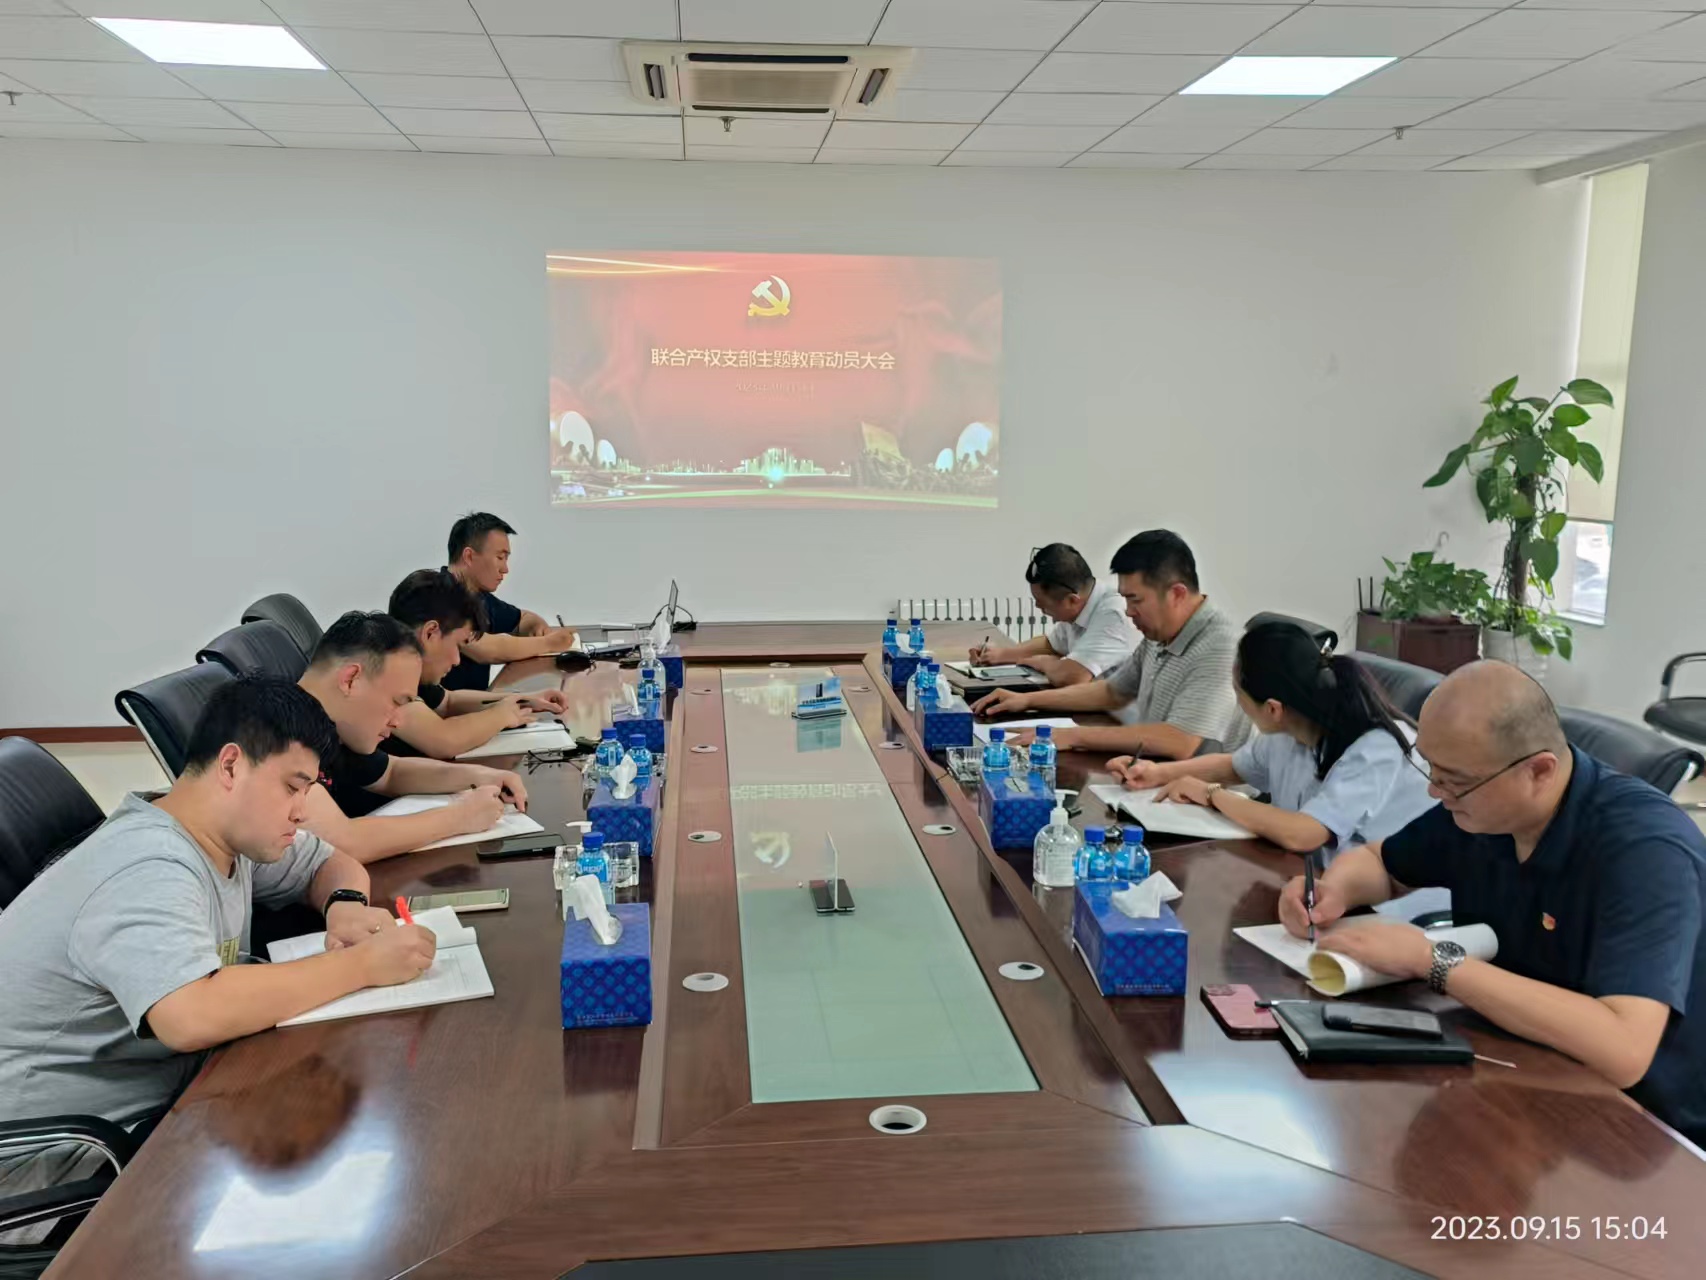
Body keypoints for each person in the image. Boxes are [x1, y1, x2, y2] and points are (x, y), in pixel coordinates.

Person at [1277, 661, 1706, 1147]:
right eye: (1430, 769)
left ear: (1538, 771)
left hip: (1641, 1128)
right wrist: (1333, 890)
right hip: (1515, 1061)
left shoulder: (1646, 852)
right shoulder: (1480, 807)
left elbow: (1624, 1048)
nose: (1435, 791)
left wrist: (1432, 960)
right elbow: (1383, 862)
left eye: (1454, 781)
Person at [0, 676, 438, 1136]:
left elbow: (330, 863)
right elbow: (190, 1015)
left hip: (173, 1091)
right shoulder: (148, 864)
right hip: (60, 1148)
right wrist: (363, 965)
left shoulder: (224, 835)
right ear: (230, 765)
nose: (301, 811)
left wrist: (344, 905)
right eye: (292, 787)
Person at [1109, 621, 1435, 855]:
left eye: (1238, 694)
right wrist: (1157, 773)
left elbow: (1304, 833)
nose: (1237, 703)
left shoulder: (1375, 747)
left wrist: (1211, 794)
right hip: (1317, 883)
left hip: (1391, 911)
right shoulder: (1293, 724)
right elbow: (1235, 766)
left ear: (1272, 708)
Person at [972, 530, 1246, 760]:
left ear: (1176, 594)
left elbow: (1180, 740)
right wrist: (1026, 700)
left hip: (1213, 794)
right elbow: (1112, 692)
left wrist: (1072, 736)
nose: (1128, 611)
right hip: (1156, 771)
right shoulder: (1159, 635)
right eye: (1125, 598)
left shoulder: (1220, 646)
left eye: (1135, 600)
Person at [296, 611, 529, 861]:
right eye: (397, 702)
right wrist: (462, 817)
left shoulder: (333, 725)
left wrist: (481, 776)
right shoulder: (283, 733)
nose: (397, 721)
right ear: (351, 679)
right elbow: (344, 842)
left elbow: (391, 773)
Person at [385, 568, 570, 760]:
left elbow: (449, 701)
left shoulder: (409, 666)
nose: (457, 660)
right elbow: (444, 740)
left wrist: (523, 699)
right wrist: (500, 715)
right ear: (430, 632)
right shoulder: (386, 675)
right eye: (457, 645)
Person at [967, 543, 1137, 689]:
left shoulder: (1114, 613)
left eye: (1042, 602)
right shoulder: (1082, 603)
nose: (1037, 606)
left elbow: (1071, 678)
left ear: (1072, 600)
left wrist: (1044, 663)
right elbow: (1051, 644)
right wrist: (1001, 654)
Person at [442, 512, 578, 691]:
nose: (505, 569)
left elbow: (523, 618)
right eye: (500, 557)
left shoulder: (479, 597)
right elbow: (485, 648)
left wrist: (536, 627)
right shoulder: (435, 593)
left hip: (468, 703)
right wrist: (549, 643)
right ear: (469, 556)